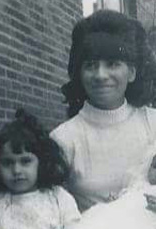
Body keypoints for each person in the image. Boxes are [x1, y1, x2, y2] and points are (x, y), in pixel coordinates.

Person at [50, 9, 156, 213]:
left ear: (132, 72)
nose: (101, 75)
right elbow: (50, 211)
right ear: (79, 74)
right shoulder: (63, 140)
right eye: (90, 65)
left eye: (113, 64)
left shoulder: (153, 124)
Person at [0, 108, 81, 229]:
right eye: (8, 163)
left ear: (42, 162)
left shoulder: (59, 199)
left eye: (25, 161)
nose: (16, 170)